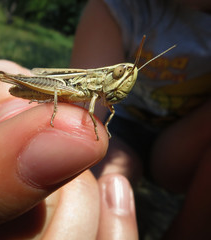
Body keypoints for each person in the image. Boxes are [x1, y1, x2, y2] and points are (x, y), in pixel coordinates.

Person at [0, 0, 210, 240]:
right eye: (121, 73)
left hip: (176, 146)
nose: (125, 79)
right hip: (56, 85)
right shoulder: (116, 9)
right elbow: (86, 98)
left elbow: (107, 106)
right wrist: (60, 114)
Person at [70, 0, 211, 239]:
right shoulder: (118, 8)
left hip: (186, 146)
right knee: (91, 186)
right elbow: (82, 113)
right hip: (120, 133)